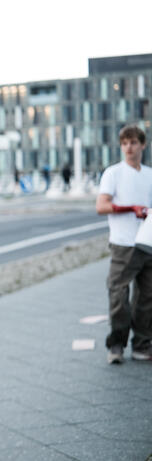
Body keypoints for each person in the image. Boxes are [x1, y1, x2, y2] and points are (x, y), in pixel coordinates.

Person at [95, 125, 152, 364]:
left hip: (147, 243)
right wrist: (130, 208)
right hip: (122, 244)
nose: (129, 147)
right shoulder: (113, 173)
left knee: (147, 298)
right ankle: (116, 344)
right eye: (125, 143)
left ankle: (142, 345)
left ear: (142, 145)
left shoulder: (149, 174)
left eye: (133, 142)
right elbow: (101, 206)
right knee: (118, 295)